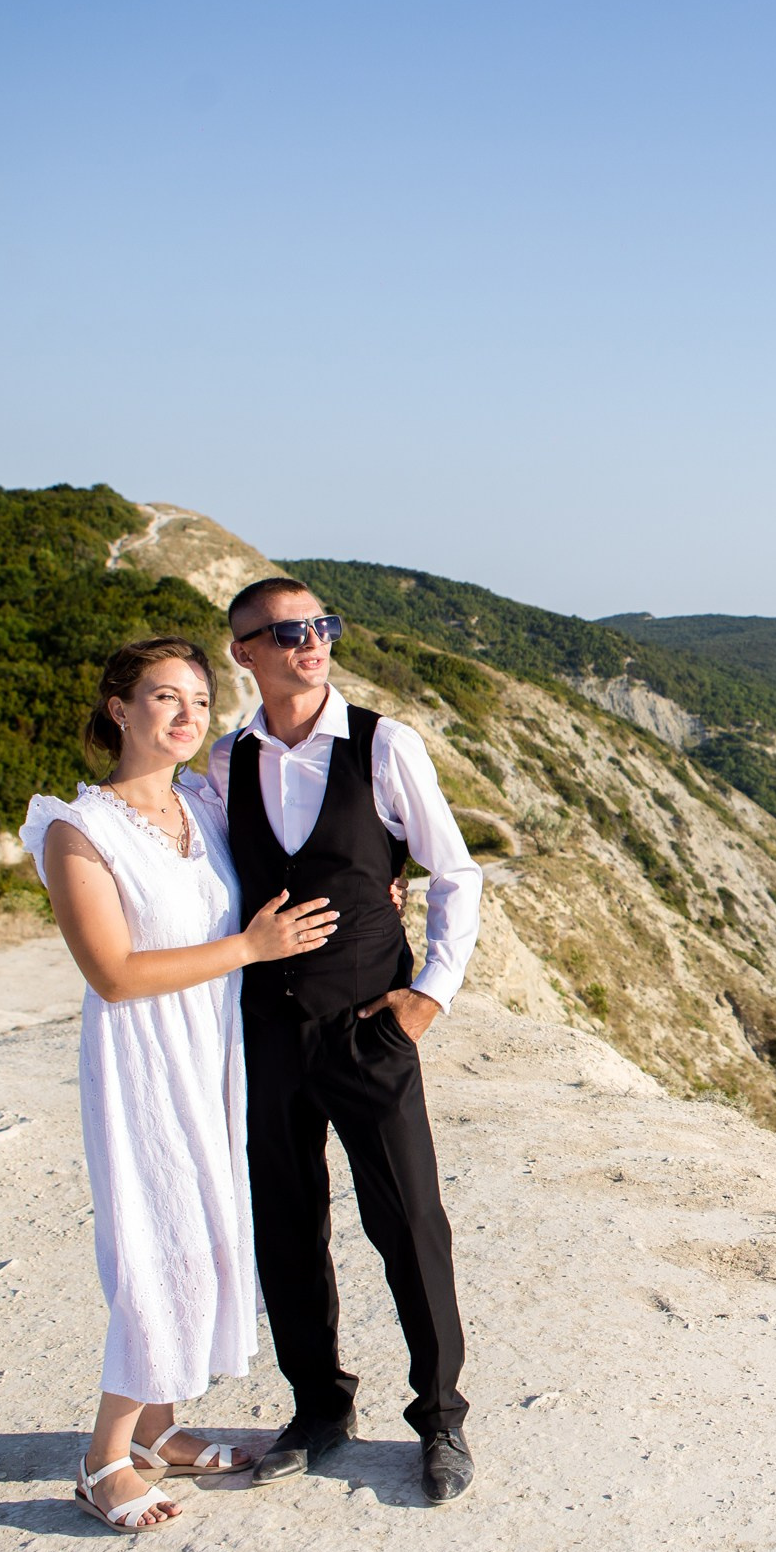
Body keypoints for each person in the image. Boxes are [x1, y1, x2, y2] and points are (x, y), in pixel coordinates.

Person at [20, 637, 342, 1534]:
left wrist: (376, 894)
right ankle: (102, 1460)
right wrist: (248, 950)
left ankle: (160, 1429)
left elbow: (297, 849)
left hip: (214, 1049)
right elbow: (113, 972)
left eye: (200, 700)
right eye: (164, 697)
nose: (187, 716)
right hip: (144, 1058)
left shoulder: (204, 802)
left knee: (206, 1236)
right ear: (119, 709)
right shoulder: (77, 829)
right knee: (157, 1247)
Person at [205, 577, 484, 1504]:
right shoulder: (225, 760)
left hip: (370, 1026)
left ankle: (440, 1419)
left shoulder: (383, 744)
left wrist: (427, 998)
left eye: (319, 625)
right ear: (244, 650)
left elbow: (455, 872)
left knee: (409, 1224)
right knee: (287, 1229)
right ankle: (319, 1409)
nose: (309, 642)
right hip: (268, 1032)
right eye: (284, 633)